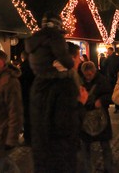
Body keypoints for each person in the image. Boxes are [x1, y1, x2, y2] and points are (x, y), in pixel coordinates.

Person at [30, 42, 88, 172]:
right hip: (60, 152)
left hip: (42, 148)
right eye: (78, 57)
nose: (80, 60)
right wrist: (80, 104)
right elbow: (66, 124)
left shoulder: (41, 79)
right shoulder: (66, 83)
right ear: (71, 59)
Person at [79, 61, 113, 173]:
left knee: (105, 145)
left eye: (90, 74)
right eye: (86, 74)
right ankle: (87, 169)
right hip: (85, 117)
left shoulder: (102, 81)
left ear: (94, 72)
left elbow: (110, 95)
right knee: (85, 146)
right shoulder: (80, 81)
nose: (88, 76)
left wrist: (101, 101)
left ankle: (108, 168)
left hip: (100, 117)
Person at [25, 11, 74, 76]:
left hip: (38, 76)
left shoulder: (34, 38)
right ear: (57, 25)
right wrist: (71, 64)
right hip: (52, 76)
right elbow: (63, 55)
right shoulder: (55, 36)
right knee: (72, 76)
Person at [18, 51, 35, 146]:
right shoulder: (35, 67)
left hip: (25, 95)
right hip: (33, 95)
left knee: (27, 116)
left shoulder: (22, 67)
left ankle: (27, 136)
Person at [103, 47, 119, 113]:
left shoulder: (109, 58)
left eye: (108, 51)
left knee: (112, 91)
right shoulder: (118, 58)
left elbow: (103, 65)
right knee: (116, 90)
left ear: (111, 51)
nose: (107, 52)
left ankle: (115, 105)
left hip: (111, 77)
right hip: (116, 77)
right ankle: (117, 105)